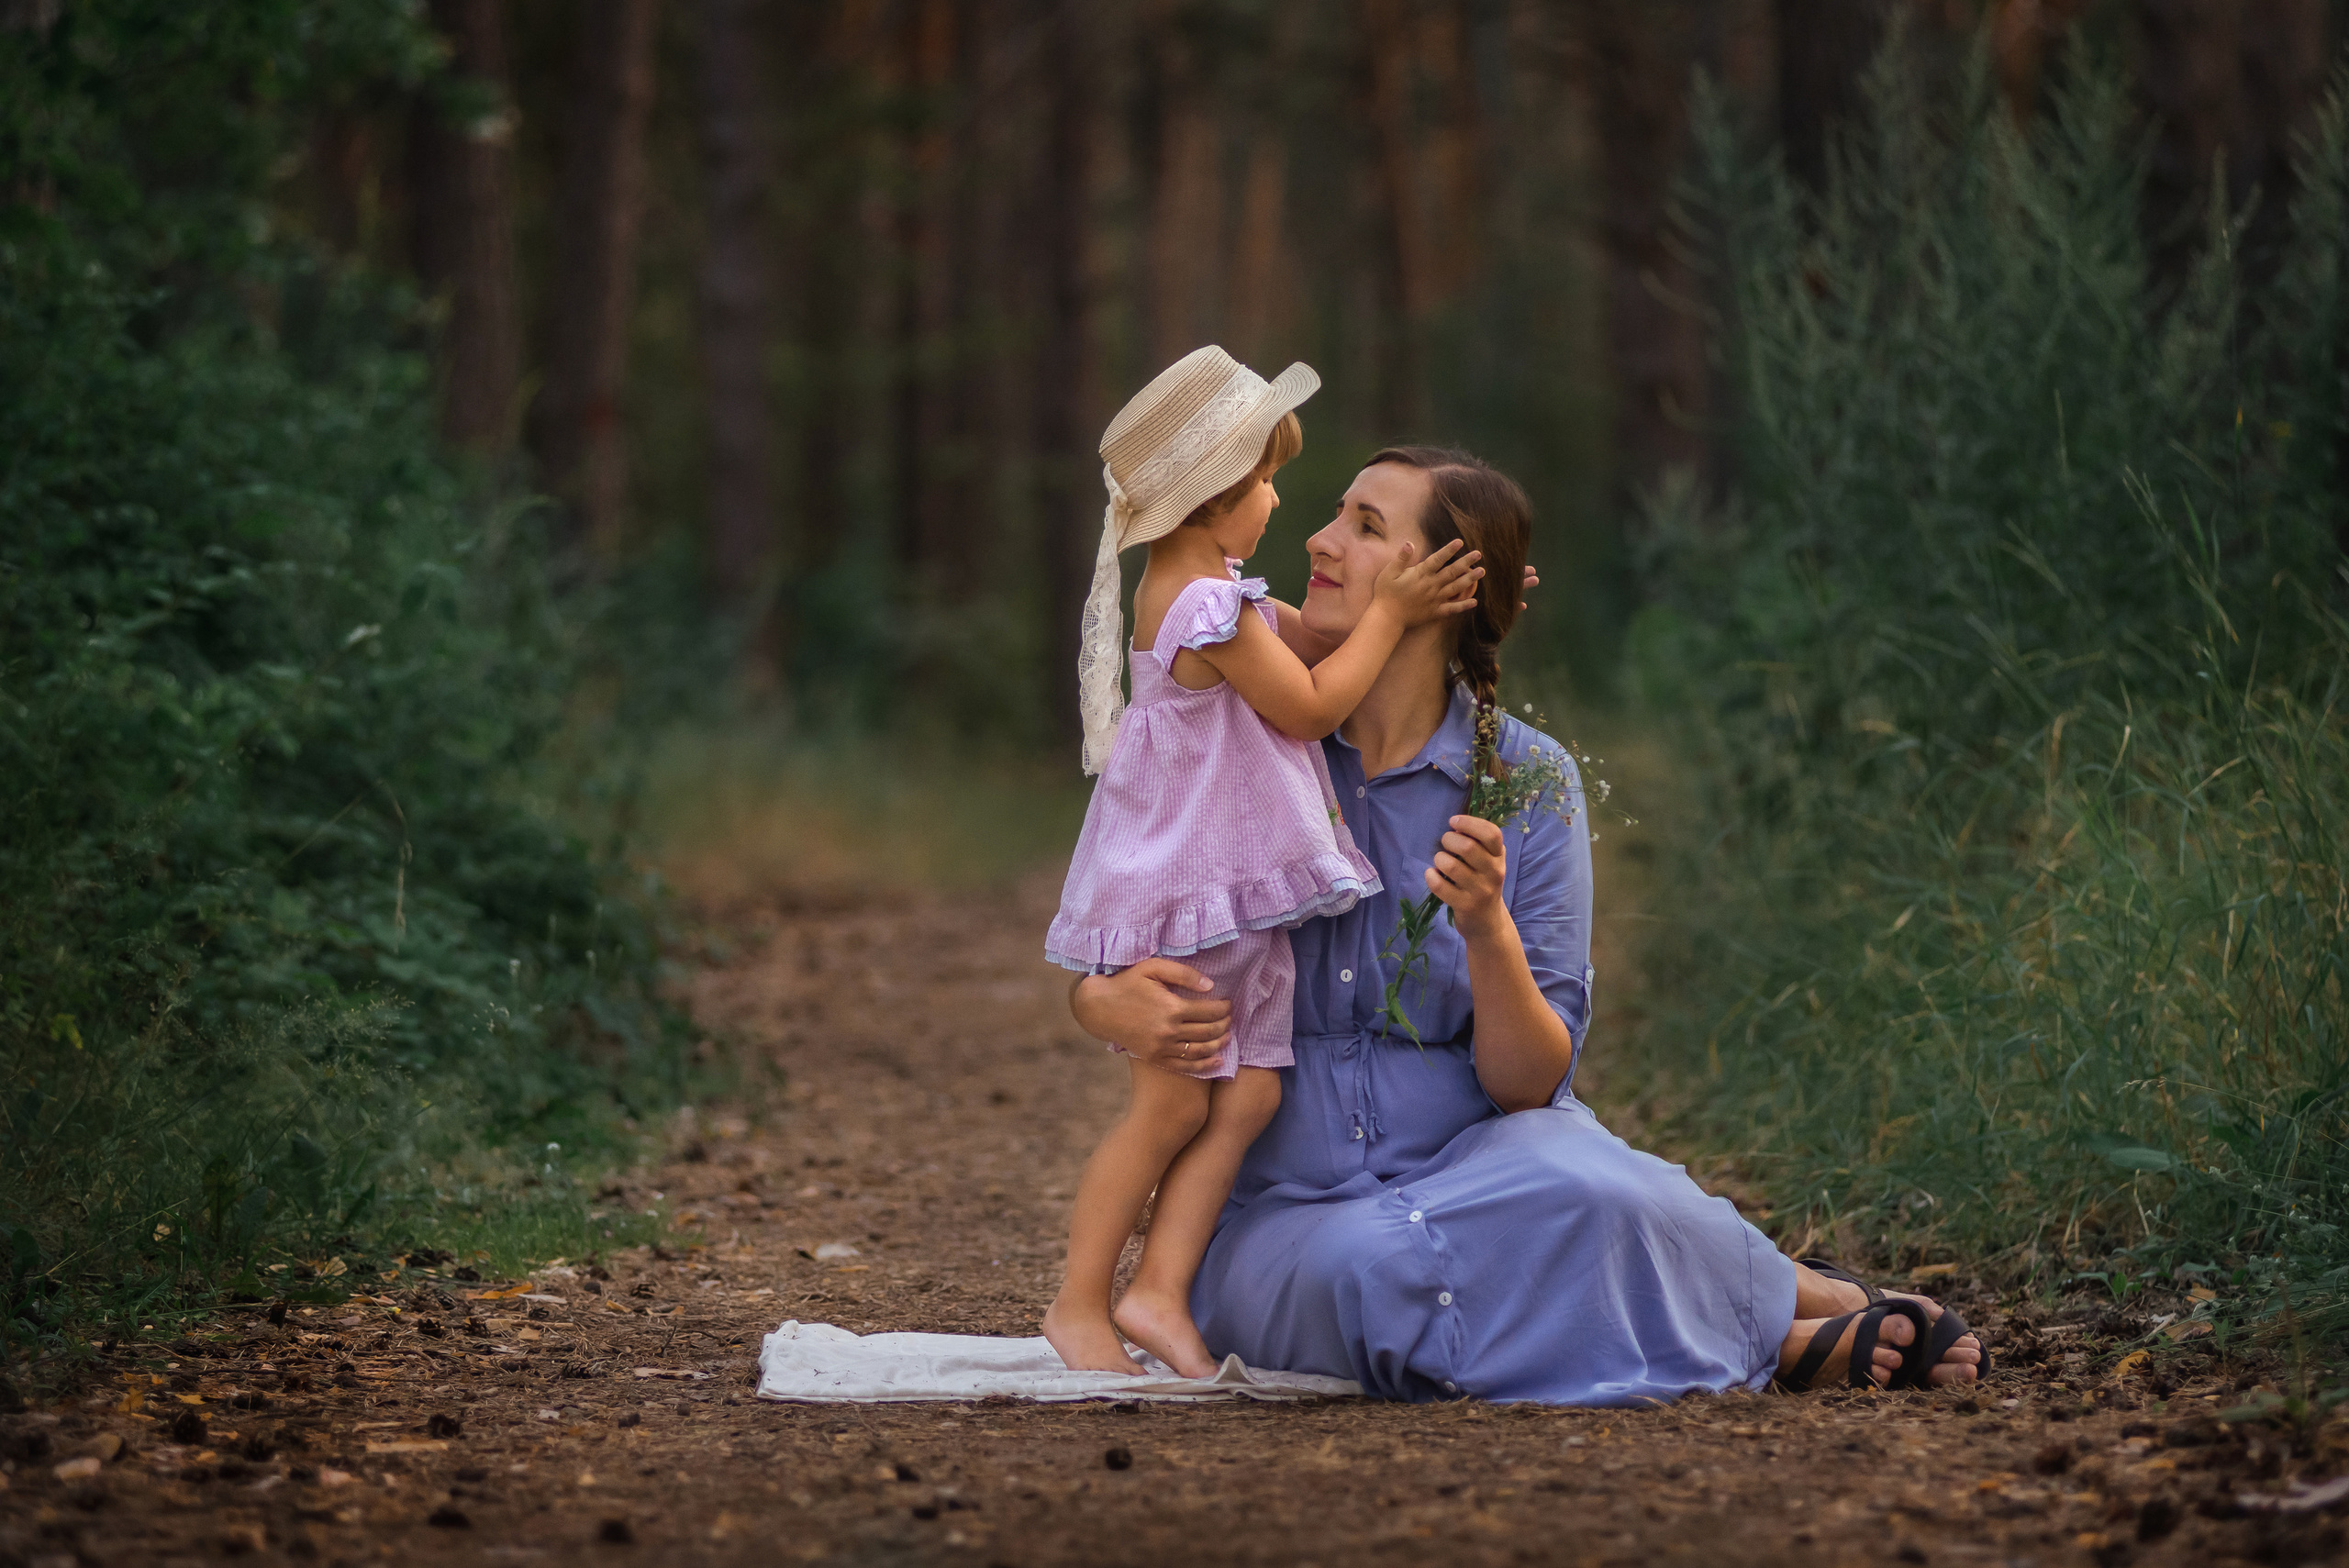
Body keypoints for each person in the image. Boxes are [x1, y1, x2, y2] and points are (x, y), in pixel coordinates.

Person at [1067, 445, 1987, 1403]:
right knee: (1372, 1268)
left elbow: (1528, 1085)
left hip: (1489, 1161)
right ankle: (1780, 1329)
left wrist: (1486, 930)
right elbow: (1130, 891)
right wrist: (1097, 1001)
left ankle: (1788, 1317)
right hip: (1287, 1212)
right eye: (1337, 512)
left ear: (1444, 584)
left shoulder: (1528, 778)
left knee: (1585, 1184)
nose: (1317, 536)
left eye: (1367, 526)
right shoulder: (1247, 739)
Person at [1042, 350, 1486, 1379]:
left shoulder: (1213, 591)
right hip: (1187, 893)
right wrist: (1387, 612)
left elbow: (1316, 658)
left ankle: (1156, 1292)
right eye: (1268, 481)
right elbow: (1312, 704)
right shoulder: (1205, 606)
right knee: (1168, 1104)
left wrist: (1430, 605)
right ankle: (1077, 1303)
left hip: (1219, 895)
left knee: (1241, 1097)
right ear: (1215, 498)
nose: (1281, 502)